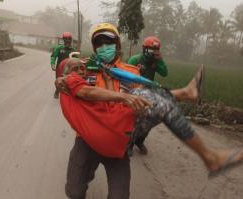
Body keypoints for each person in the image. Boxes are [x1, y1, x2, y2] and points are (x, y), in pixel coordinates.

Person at [56, 58, 243, 199]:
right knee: (74, 192)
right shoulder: (74, 81)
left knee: (161, 105)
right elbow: (85, 90)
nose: (81, 70)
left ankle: (211, 156)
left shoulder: (123, 68)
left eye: (82, 67)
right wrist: (62, 78)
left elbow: (156, 74)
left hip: (123, 128)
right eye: (76, 68)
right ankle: (186, 94)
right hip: (93, 138)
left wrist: (123, 89)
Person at [128, 36, 204, 154]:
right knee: (134, 120)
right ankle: (129, 143)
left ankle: (140, 140)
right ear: (144, 48)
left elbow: (164, 73)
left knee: (151, 119)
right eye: (150, 49)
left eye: (155, 49)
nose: (152, 52)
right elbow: (127, 76)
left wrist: (160, 60)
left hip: (150, 93)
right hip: (136, 92)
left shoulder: (156, 61)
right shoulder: (135, 59)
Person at [50, 32, 76, 98]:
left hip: (68, 69)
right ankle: (57, 91)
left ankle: (66, 95)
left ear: (71, 40)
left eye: (69, 39)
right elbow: (53, 56)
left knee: (67, 82)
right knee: (59, 81)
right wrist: (53, 64)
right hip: (59, 68)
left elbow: (76, 59)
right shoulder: (59, 48)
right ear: (63, 40)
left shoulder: (73, 50)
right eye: (66, 39)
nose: (67, 41)